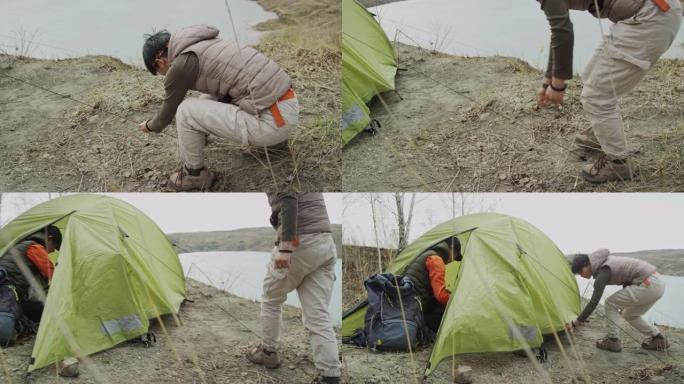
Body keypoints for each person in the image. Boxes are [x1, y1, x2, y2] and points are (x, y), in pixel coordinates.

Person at [536, 0, 682, 183]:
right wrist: (547, 81)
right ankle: (601, 133)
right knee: (591, 76)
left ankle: (618, 162)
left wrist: (558, 85)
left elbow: (562, 32)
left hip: (651, 18)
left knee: (597, 96)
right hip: (642, 14)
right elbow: (558, 31)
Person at [139, 24, 299, 191]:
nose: (163, 75)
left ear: (159, 61)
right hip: (286, 105)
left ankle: (194, 175)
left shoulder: (180, 65)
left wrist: (149, 126)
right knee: (206, 98)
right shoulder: (204, 44)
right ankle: (275, 145)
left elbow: (166, 114)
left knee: (186, 111)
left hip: (273, 123)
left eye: (159, 72)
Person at [246, 193, 341, 384]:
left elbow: (289, 198)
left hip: (299, 241)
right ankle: (330, 376)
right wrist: (276, 217)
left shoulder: (275, 171)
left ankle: (268, 352)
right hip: (325, 242)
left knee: (271, 299)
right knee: (318, 315)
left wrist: (285, 248)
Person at [569, 248, 669, 352]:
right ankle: (658, 338)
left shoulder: (604, 269)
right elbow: (628, 279)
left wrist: (578, 321)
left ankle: (613, 341)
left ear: (587, 264)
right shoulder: (607, 262)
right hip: (657, 283)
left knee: (610, 303)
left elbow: (594, 302)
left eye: (581, 271)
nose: (581, 275)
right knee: (629, 315)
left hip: (647, 284)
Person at [0, 225, 61, 347]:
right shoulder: (33, 246)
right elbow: (50, 272)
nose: (53, 251)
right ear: (49, 238)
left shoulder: (21, 245)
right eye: (55, 246)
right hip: (6, 287)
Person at [403, 237, 462, 332]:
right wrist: (457, 303)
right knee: (446, 319)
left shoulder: (427, 254)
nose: (452, 261)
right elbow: (440, 295)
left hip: (407, 307)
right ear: (451, 249)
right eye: (455, 256)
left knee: (438, 306)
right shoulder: (436, 259)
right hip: (413, 312)